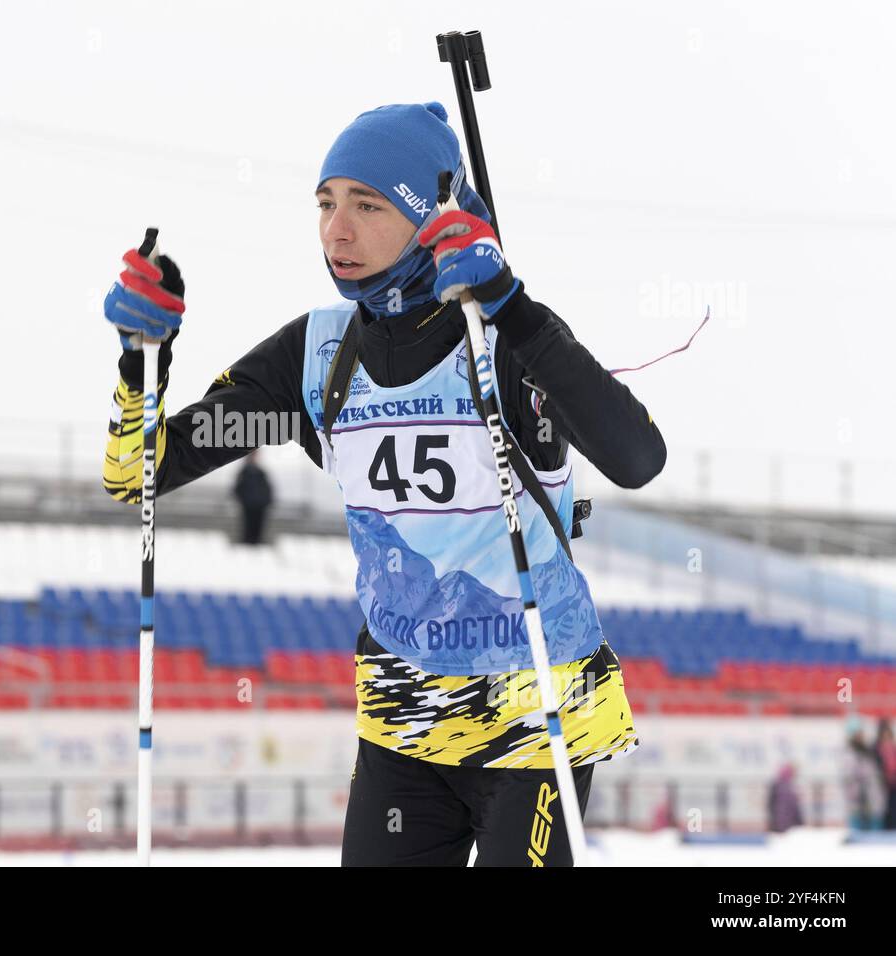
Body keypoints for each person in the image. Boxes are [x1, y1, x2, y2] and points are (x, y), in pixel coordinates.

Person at [101, 101, 666, 866]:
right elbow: (140, 473)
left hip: (537, 717)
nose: (338, 230)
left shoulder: (501, 335)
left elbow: (637, 457)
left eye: (367, 205)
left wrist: (511, 305)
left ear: (427, 217)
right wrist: (142, 361)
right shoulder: (318, 356)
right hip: (404, 721)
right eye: (327, 204)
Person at [842, 715, 883, 831]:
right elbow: (849, 778)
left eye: (861, 732)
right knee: (858, 838)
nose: (861, 735)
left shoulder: (868, 751)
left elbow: (874, 776)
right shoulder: (848, 754)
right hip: (858, 803)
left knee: (875, 835)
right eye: (858, 733)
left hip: (872, 802)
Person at [232, 450, 273, 546]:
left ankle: (256, 543)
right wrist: (244, 500)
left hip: (260, 506)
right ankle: (247, 543)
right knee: (248, 526)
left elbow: (267, 489)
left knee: (258, 527)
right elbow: (237, 488)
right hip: (248, 505)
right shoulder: (244, 472)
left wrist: (266, 501)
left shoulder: (261, 472)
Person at [767, 762, 804, 833]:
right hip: (785, 826)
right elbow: (782, 809)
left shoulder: (785, 785)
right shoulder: (784, 787)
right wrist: (782, 827)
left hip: (784, 825)